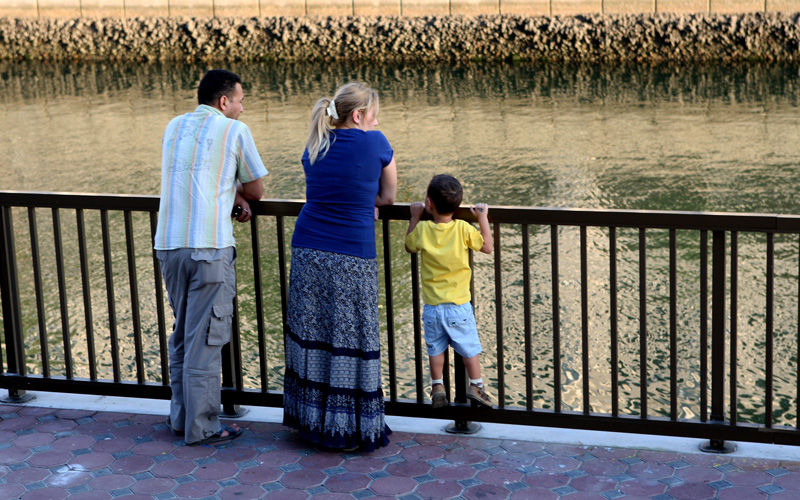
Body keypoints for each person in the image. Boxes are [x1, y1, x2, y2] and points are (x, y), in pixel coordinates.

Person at [154, 69, 268, 446]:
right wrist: (237, 191)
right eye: (239, 100)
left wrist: (228, 189)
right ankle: (202, 428)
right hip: (208, 248)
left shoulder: (174, 127)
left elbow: (195, 178)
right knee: (204, 339)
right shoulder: (235, 130)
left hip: (170, 246)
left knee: (184, 337)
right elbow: (257, 188)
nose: (240, 107)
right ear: (224, 102)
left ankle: (181, 418)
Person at [283, 82, 397, 452]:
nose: (376, 120)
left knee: (313, 331)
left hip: (308, 249)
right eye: (374, 114)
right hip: (351, 252)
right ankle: (347, 430)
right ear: (359, 115)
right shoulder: (376, 142)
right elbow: (389, 196)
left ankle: (311, 421)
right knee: (352, 337)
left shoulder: (315, 143)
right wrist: (370, 202)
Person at [405, 174, 494, 409]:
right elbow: (487, 247)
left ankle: (437, 386)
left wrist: (414, 217)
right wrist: (482, 217)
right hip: (459, 306)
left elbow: (409, 246)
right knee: (469, 350)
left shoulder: (423, 229)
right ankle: (476, 386)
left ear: (429, 203)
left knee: (436, 350)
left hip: (433, 307)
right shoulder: (463, 228)